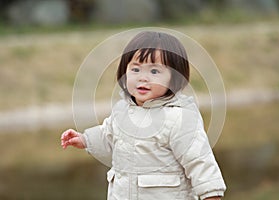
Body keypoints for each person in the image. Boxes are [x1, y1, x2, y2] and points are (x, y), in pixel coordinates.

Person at [61, 31, 226, 200]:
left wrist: (210, 194)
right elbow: (108, 135)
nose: (143, 78)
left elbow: (199, 161)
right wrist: (85, 140)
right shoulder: (122, 111)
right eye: (135, 69)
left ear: (175, 78)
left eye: (154, 71)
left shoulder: (179, 118)